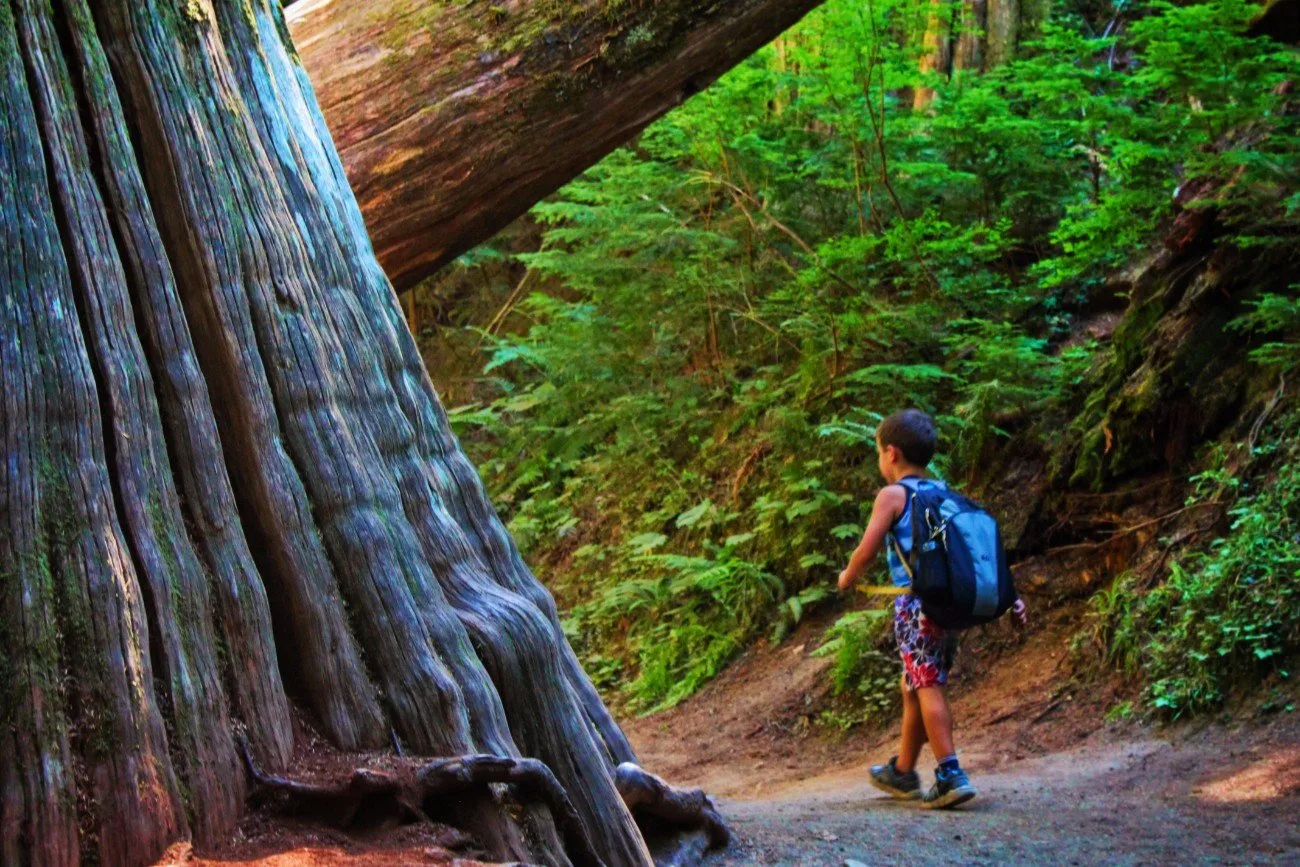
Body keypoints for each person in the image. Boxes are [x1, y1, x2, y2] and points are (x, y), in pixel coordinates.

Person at [836, 408, 1027, 808]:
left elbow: (866, 549)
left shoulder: (893, 495)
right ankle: (903, 772)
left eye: (878, 453)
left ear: (891, 453)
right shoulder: (944, 493)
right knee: (915, 684)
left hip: (916, 605)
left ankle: (950, 772)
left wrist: (847, 576)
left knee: (925, 684)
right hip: (943, 603)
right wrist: (1011, 596)